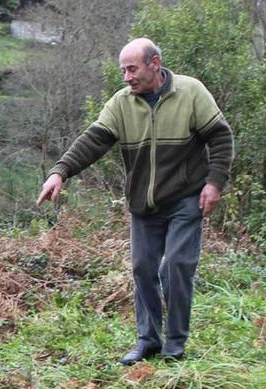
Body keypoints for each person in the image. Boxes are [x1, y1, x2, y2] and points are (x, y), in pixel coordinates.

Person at [37, 38, 234, 365]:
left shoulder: (191, 92)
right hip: (143, 204)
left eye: (132, 69)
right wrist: (60, 172)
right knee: (143, 269)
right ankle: (148, 341)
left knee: (175, 267)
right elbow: (93, 141)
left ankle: (175, 342)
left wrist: (214, 183)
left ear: (154, 64)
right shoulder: (121, 103)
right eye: (123, 70)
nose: (127, 77)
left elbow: (221, 137)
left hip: (185, 197)